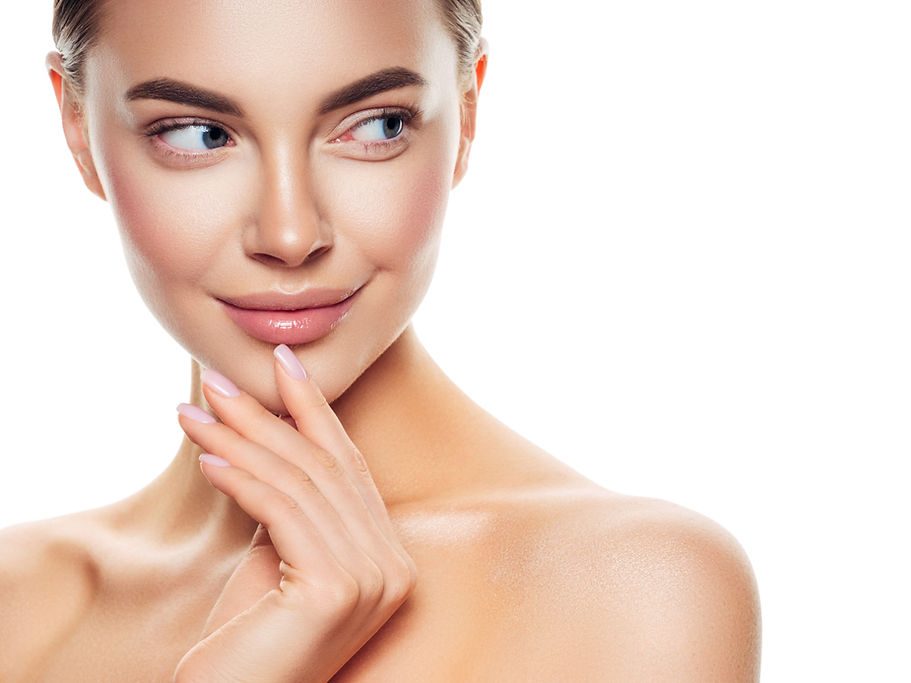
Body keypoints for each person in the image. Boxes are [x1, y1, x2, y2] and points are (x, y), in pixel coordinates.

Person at [0, 1, 760, 680]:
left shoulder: (631, 591)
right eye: (198, 134)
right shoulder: (19, 601)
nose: (290, 234)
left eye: (376, 126)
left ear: (465, 115)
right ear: (76, 127)